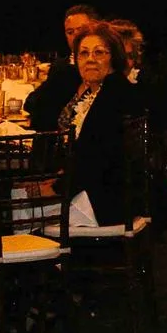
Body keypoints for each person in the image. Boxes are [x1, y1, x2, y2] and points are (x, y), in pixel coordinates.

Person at [59, 26, 148, 231]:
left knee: (19, 204)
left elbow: (93, 160)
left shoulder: (112, 94)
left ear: (114, 57)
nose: (90, 59)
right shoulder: (98, 92)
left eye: (99, 52)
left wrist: (54, 187)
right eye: (83, 53)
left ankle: (45, 252)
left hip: (105, 202)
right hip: (102, 192)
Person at [25, 4, 102, 129]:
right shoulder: (62, 68)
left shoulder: (100, 71)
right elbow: (32, 103)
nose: (76, 36)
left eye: (81, 30)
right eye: (70, 32)